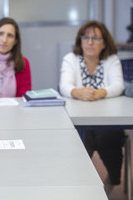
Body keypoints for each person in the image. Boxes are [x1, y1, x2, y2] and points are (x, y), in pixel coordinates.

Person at [59, 20, 125, 194]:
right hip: (79, 118)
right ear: (80, 41)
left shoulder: (112, 60)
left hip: (108, 118)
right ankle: (79, 187)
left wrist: (100, 92)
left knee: (108, 136)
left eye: (95, 38)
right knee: (82, 138)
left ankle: (113, 178)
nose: (89, 42)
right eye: (85, 37)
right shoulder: (70, 59)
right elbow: (64, 85)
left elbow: (118, 85)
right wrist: (77, 92)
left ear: (104, 43)